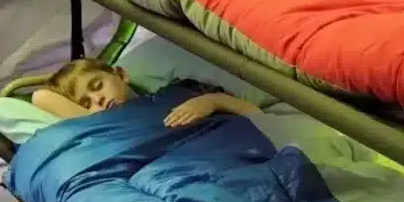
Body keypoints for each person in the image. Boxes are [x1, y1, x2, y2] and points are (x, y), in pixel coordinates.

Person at [32, 58, 261, 127]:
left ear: (121, 74)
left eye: (97, 86)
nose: (98, 99)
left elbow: (261, 119)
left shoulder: (180, 91)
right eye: (87, 103)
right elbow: (40, 97)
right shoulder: (106, 127)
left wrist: (213, 101)